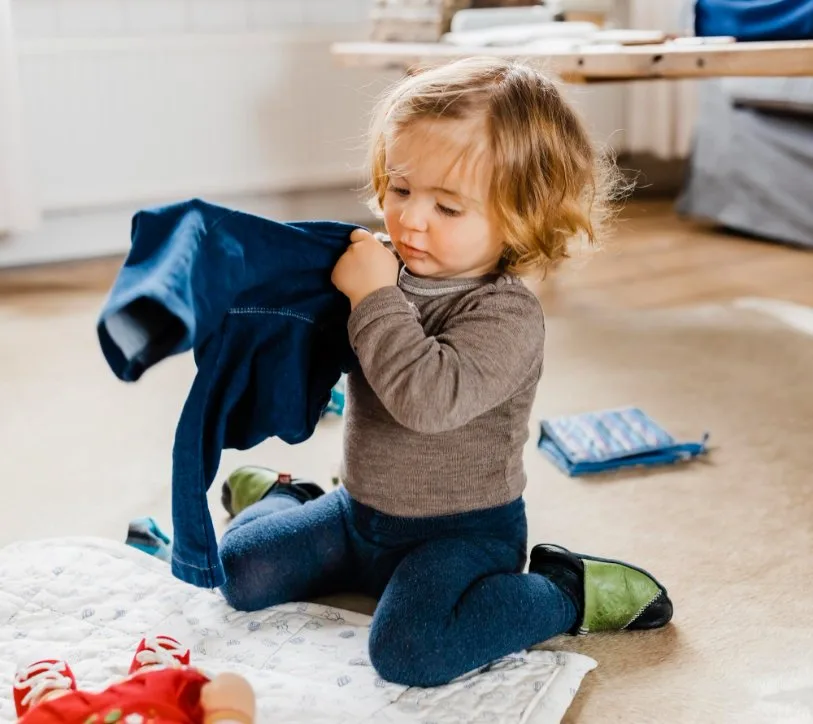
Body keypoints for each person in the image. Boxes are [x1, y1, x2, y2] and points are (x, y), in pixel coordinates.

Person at [218, 56, 673, 688]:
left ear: (523, 214)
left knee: (412, 651)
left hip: (462, 535)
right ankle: (285, 497)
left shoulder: (507, 314)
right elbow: (332, 356)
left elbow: (426, 401)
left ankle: (567, 590)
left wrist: (372, 300)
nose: (409, 219)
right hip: (359, 511)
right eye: (400, 189)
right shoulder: (381, 271)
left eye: (448, 207)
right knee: (239, 571)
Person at [12, 635, 255, 723]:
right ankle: (152, 675)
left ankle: (49, 697)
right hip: (161, 707)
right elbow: (233, 687)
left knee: (54, 708)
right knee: (184, 689)